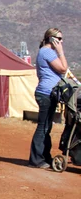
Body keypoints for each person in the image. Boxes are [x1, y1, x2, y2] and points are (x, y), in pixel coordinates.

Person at [28, 28, 68, 169]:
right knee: (43, 126)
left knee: (46, 126)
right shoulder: (47, 52)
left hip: (48, 93)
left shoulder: (45, 52)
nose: (61, 41)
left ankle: (44, 156)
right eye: (59, 39)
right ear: (52, 39)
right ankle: (36, 160)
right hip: (46, 93)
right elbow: (63, 68)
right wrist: (61, 51)